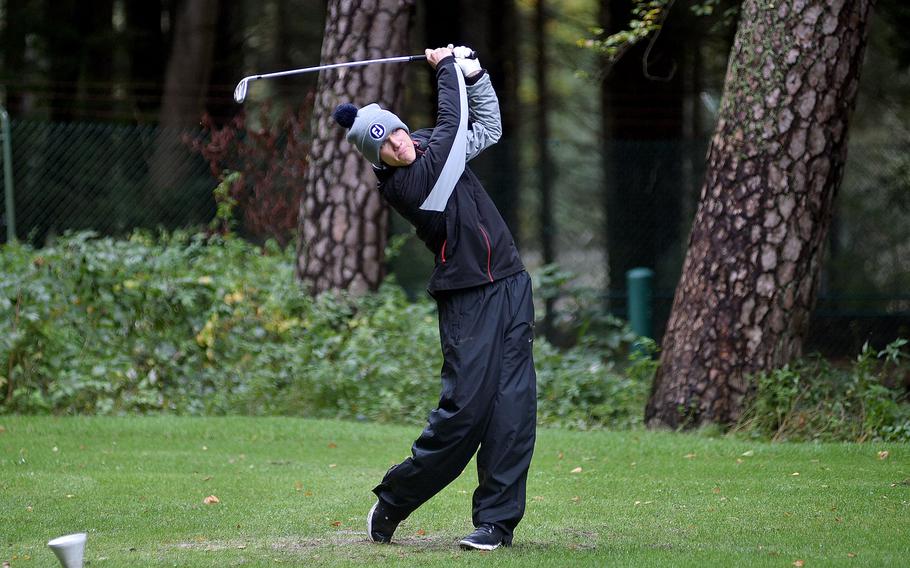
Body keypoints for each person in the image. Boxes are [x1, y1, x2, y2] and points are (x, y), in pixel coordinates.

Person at [332, 45, 536, 551]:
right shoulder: (410, 183)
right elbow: (452, 124)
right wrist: (447, 68)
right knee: (464, 413)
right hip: (468, 299)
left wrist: (476, 74)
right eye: (384, 146)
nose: (399, 146)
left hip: (510, 283)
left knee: (513, 409)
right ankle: (395, 500)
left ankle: (495, 524)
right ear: (376, 158)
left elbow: (483, 128)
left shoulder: (424, 146)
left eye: (396, 133)